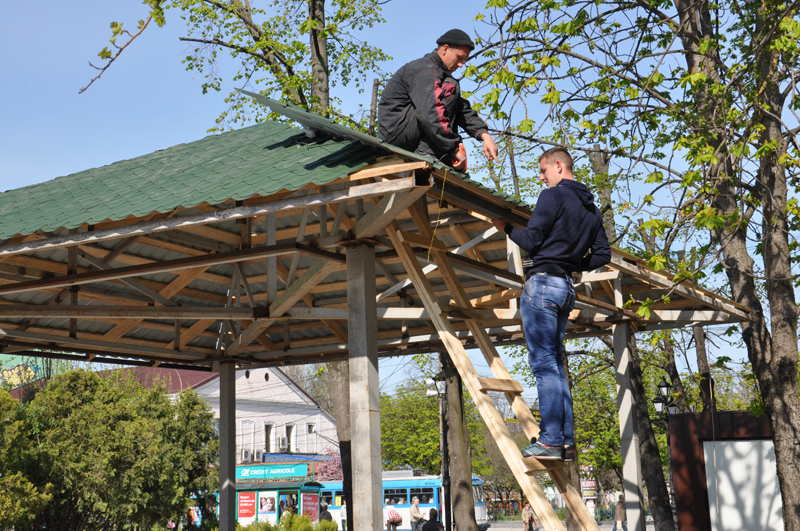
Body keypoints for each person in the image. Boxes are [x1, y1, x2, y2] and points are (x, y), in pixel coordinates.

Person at [493, 147, 611, 461]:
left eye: (543, 171)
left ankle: (550, 441)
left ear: (558, 166)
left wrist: (504, 226)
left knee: (545, 366)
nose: (542, 178)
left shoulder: (553, 196)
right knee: (555, 366)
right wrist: (573, 261)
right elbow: (602, 256)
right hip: (566, 288)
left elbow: (530, 241)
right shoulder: (591, 209)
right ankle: (566, 443)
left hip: (543, 283)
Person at [378, 29, 499, 172]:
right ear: (445, 49)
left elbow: (462, 110)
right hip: (395, 136)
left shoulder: (440, 75)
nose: (461, 65)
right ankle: (427, 152)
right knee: (450, 87)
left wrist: (484, 135)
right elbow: (430, 112)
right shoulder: (424, 70)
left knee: (451, 88)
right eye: (459, 58)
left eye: (464, 61)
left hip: (408, 132)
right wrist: (453, 148)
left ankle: (437, 154)